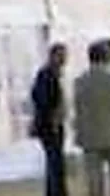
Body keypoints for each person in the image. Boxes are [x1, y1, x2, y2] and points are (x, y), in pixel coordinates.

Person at [75, 41, 110, 196]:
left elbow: (79, 107)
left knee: (94, 179)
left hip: (90, 135)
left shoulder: (80, 80)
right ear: (107, 56)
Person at [33, 44, 70, 196]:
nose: (64, 59)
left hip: (54, 124)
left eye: (65, 56)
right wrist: (53, 118)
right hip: (50, 125)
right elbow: (43, 100)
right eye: (61, 55)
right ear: (52, 56)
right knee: (55, 162)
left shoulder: (54, 74)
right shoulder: (46, 75)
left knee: (55, 162)